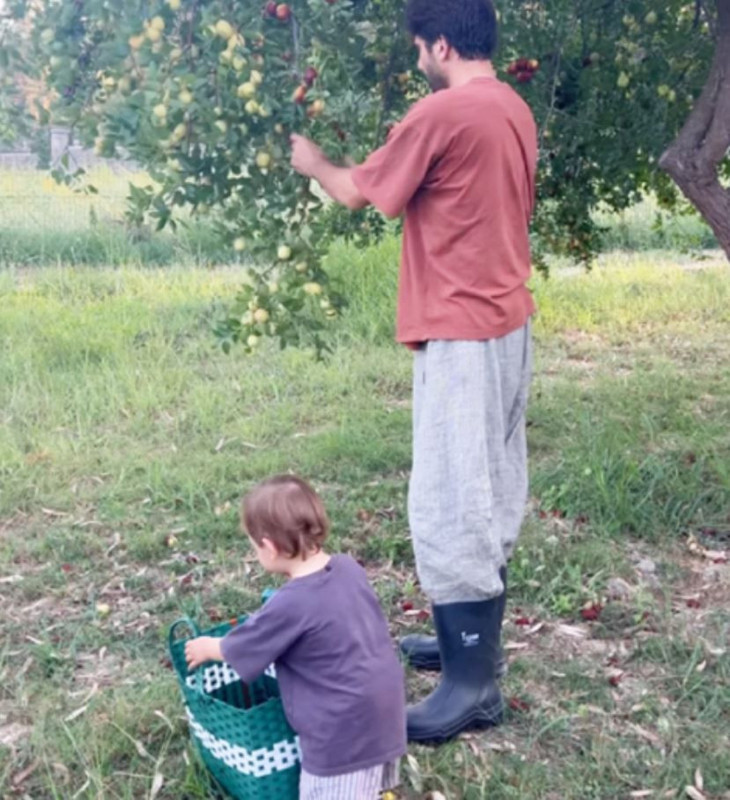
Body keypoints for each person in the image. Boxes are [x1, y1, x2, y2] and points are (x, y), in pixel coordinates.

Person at [290, 0, 537, 744]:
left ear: (438, 45)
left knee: (452, 497)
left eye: (418, 51)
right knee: (489, 484)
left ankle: (472, 686)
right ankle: (467, 645)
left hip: (461, 331)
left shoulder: (444, 113)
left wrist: (313, 162)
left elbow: (358, 192)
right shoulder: (511, 106)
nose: (416, 63)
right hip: (506, 321)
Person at [185, 475, 406, 799]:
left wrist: (207, 647)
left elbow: (244, 646)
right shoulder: (348, 568)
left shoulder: (291, 602)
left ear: (270, 548)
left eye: (253, 545)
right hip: (384, 712)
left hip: (341, 734)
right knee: (365, 785)